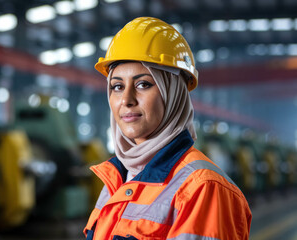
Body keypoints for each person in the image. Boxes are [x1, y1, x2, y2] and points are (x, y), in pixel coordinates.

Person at [83, 17, 252, 240]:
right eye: (117, 86)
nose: (126, 99)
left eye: (143, 84)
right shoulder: (117, 179)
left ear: (172, 94)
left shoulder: (203, 188)